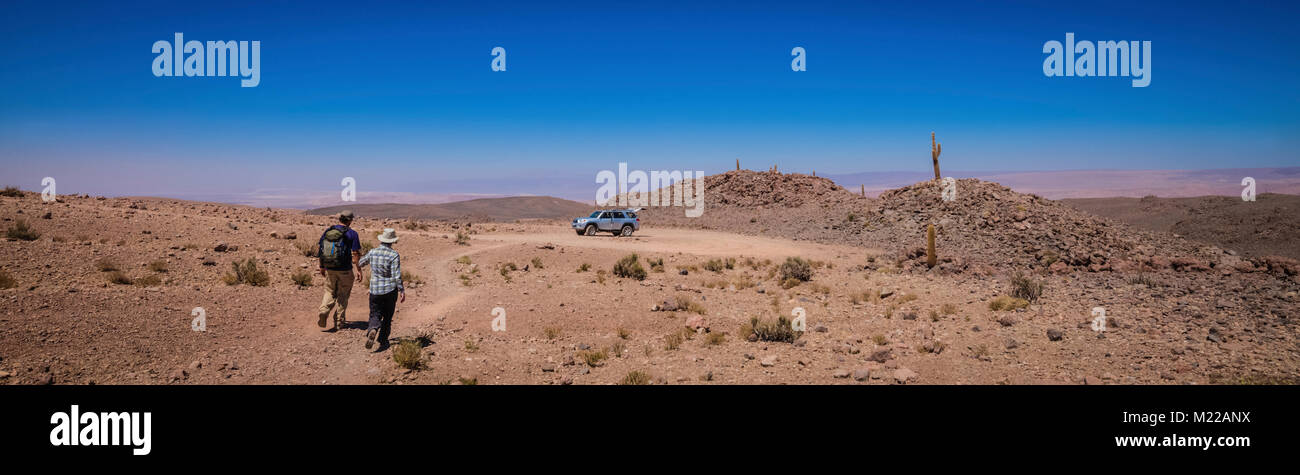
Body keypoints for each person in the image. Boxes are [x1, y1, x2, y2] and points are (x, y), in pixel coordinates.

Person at [357, 228, 405, 351]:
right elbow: (396, 275)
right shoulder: (394, 255)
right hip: (390, 290)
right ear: (392, 241)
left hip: (375, 290)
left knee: (375, 312)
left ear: (382, 240)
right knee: (388, 316)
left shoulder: (373, 252)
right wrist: (402, 290)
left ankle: (373, 328)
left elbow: (361, 263)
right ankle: (383, 339)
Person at [316, 211, 362, 332]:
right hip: (345, 269)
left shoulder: (328, 231)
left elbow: (321, 248)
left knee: (330, 291)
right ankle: (339, 322)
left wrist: (321, 266)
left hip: (330, 268)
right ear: (350, 220)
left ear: (340, 218)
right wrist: (359, 269)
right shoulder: (352, 233)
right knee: (343, 294)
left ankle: (324, 311)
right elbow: (356, 253)